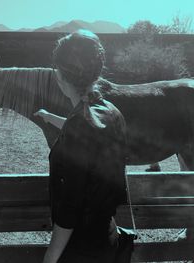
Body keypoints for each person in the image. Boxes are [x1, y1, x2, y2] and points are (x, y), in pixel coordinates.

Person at [34, 30, 129, 263]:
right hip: (108, 236)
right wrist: (49, 117)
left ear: (62, 78)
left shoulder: (80, 126)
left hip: (81, 248)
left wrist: (50, 257)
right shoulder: (111, 113)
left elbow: (70, 207)